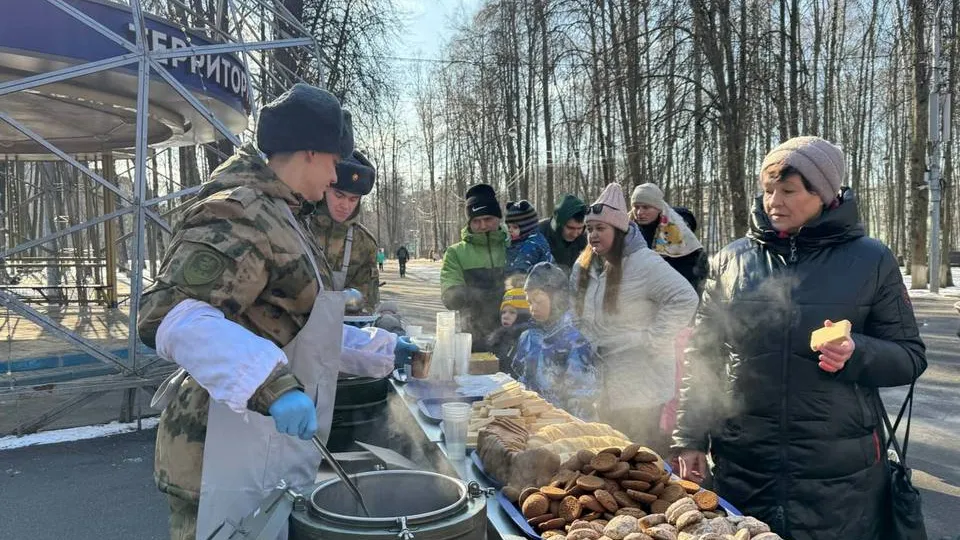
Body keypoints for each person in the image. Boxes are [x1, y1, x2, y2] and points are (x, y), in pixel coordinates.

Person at [137, 84, 419, 540]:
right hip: (219, 450)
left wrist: (382, 350)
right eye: (333, 162)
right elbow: (169, 315)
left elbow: (298, 325)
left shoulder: (284, 215)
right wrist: (273, 384)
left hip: (263, 445)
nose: (334, 178)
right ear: (310, 151)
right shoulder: (239, 211)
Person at [671, 136, 927, 540]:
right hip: (744, 466)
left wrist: (857, 352)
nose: (774, 201)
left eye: (788, 190)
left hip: (840, 477)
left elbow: (910, 356)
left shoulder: (871, 259)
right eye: (769, 189)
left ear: (823, 194)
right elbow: (702, 357)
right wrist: (689, 438)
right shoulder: (731, 261)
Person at [571, 183, 698, 452]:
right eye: (590, 229)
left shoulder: (644, 262)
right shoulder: (584, 265)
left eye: (601, 228)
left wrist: (651, 339)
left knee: (640, 468)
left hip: (643, 388)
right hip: (603, 385)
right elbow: (577, 312)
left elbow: (685, 298)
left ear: (619, 231)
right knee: (607, 461)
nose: (593, 235)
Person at [513, 262, 601, 421]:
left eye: (538, 302)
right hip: (531, 423)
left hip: (563, 425)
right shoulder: (527, 338)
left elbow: (582, 399)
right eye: (529, 302)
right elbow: (520, 383)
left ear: (557, 300)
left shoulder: (575, 342)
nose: (533, 308)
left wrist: (574, 431)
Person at [309, 150, 380, 311]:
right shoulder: (299, 226)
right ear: (326, 187)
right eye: (339, 195)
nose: (345, 206)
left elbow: (366, 303)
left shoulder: (363, 244)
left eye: (353, 199)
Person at [441, 183, 507, 352]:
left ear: (498, 218)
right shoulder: (455, 253)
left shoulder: (513, 246)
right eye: (476, 221)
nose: (483, 225)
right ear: (469, 222)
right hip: (474, 338)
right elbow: (449, 297)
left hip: (513, 335)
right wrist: (478, 295)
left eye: (488, 219)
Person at [630, 183, 709, 296]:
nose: (639, 212)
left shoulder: (678, 232)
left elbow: (692, 274)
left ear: (658, 209)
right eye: (636, 207)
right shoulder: (628, 229)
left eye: (646, 207)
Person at [486, 287, 534, 375]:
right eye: (503, 312)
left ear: (523, 315)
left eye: (512, 312)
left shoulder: (528, 339)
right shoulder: (500, 337)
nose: (505, 316)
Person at [538, 194, 587, 273]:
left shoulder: (584, 240)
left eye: (580, 228)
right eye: (570, 228)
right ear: (558, 224)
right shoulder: (538, 234)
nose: (575, 234)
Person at [505, 200, 554, 277]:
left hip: (530, 284)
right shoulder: (518, 241)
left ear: (527, 227)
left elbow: (521, 267)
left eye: (515, 227)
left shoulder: (532, 244)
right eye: (509, 226)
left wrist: (513, 279)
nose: (510, 230)